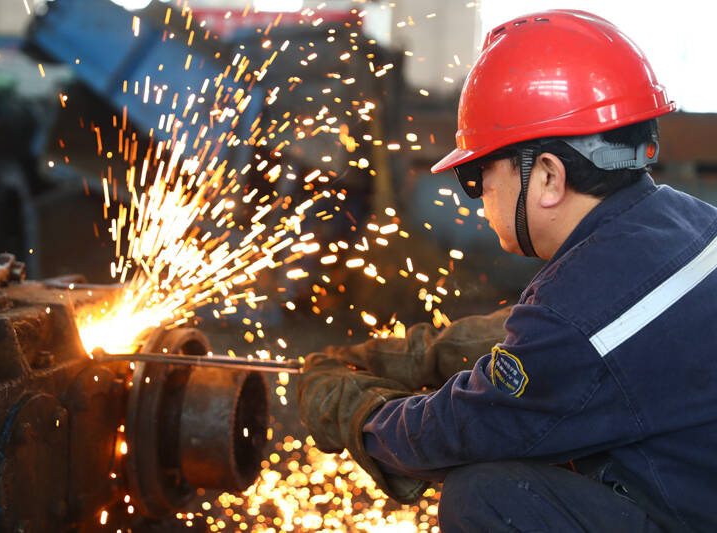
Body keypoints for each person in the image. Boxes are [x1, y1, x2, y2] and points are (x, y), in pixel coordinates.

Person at [297, 9, 717, 533]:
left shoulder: (577, 314)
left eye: (477, 173)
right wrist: (441, 351)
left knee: (486, 497)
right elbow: (600, 333)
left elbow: (453, 434)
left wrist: (358, 415)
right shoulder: (688, 220)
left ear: (548, 176)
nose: (478, 196)